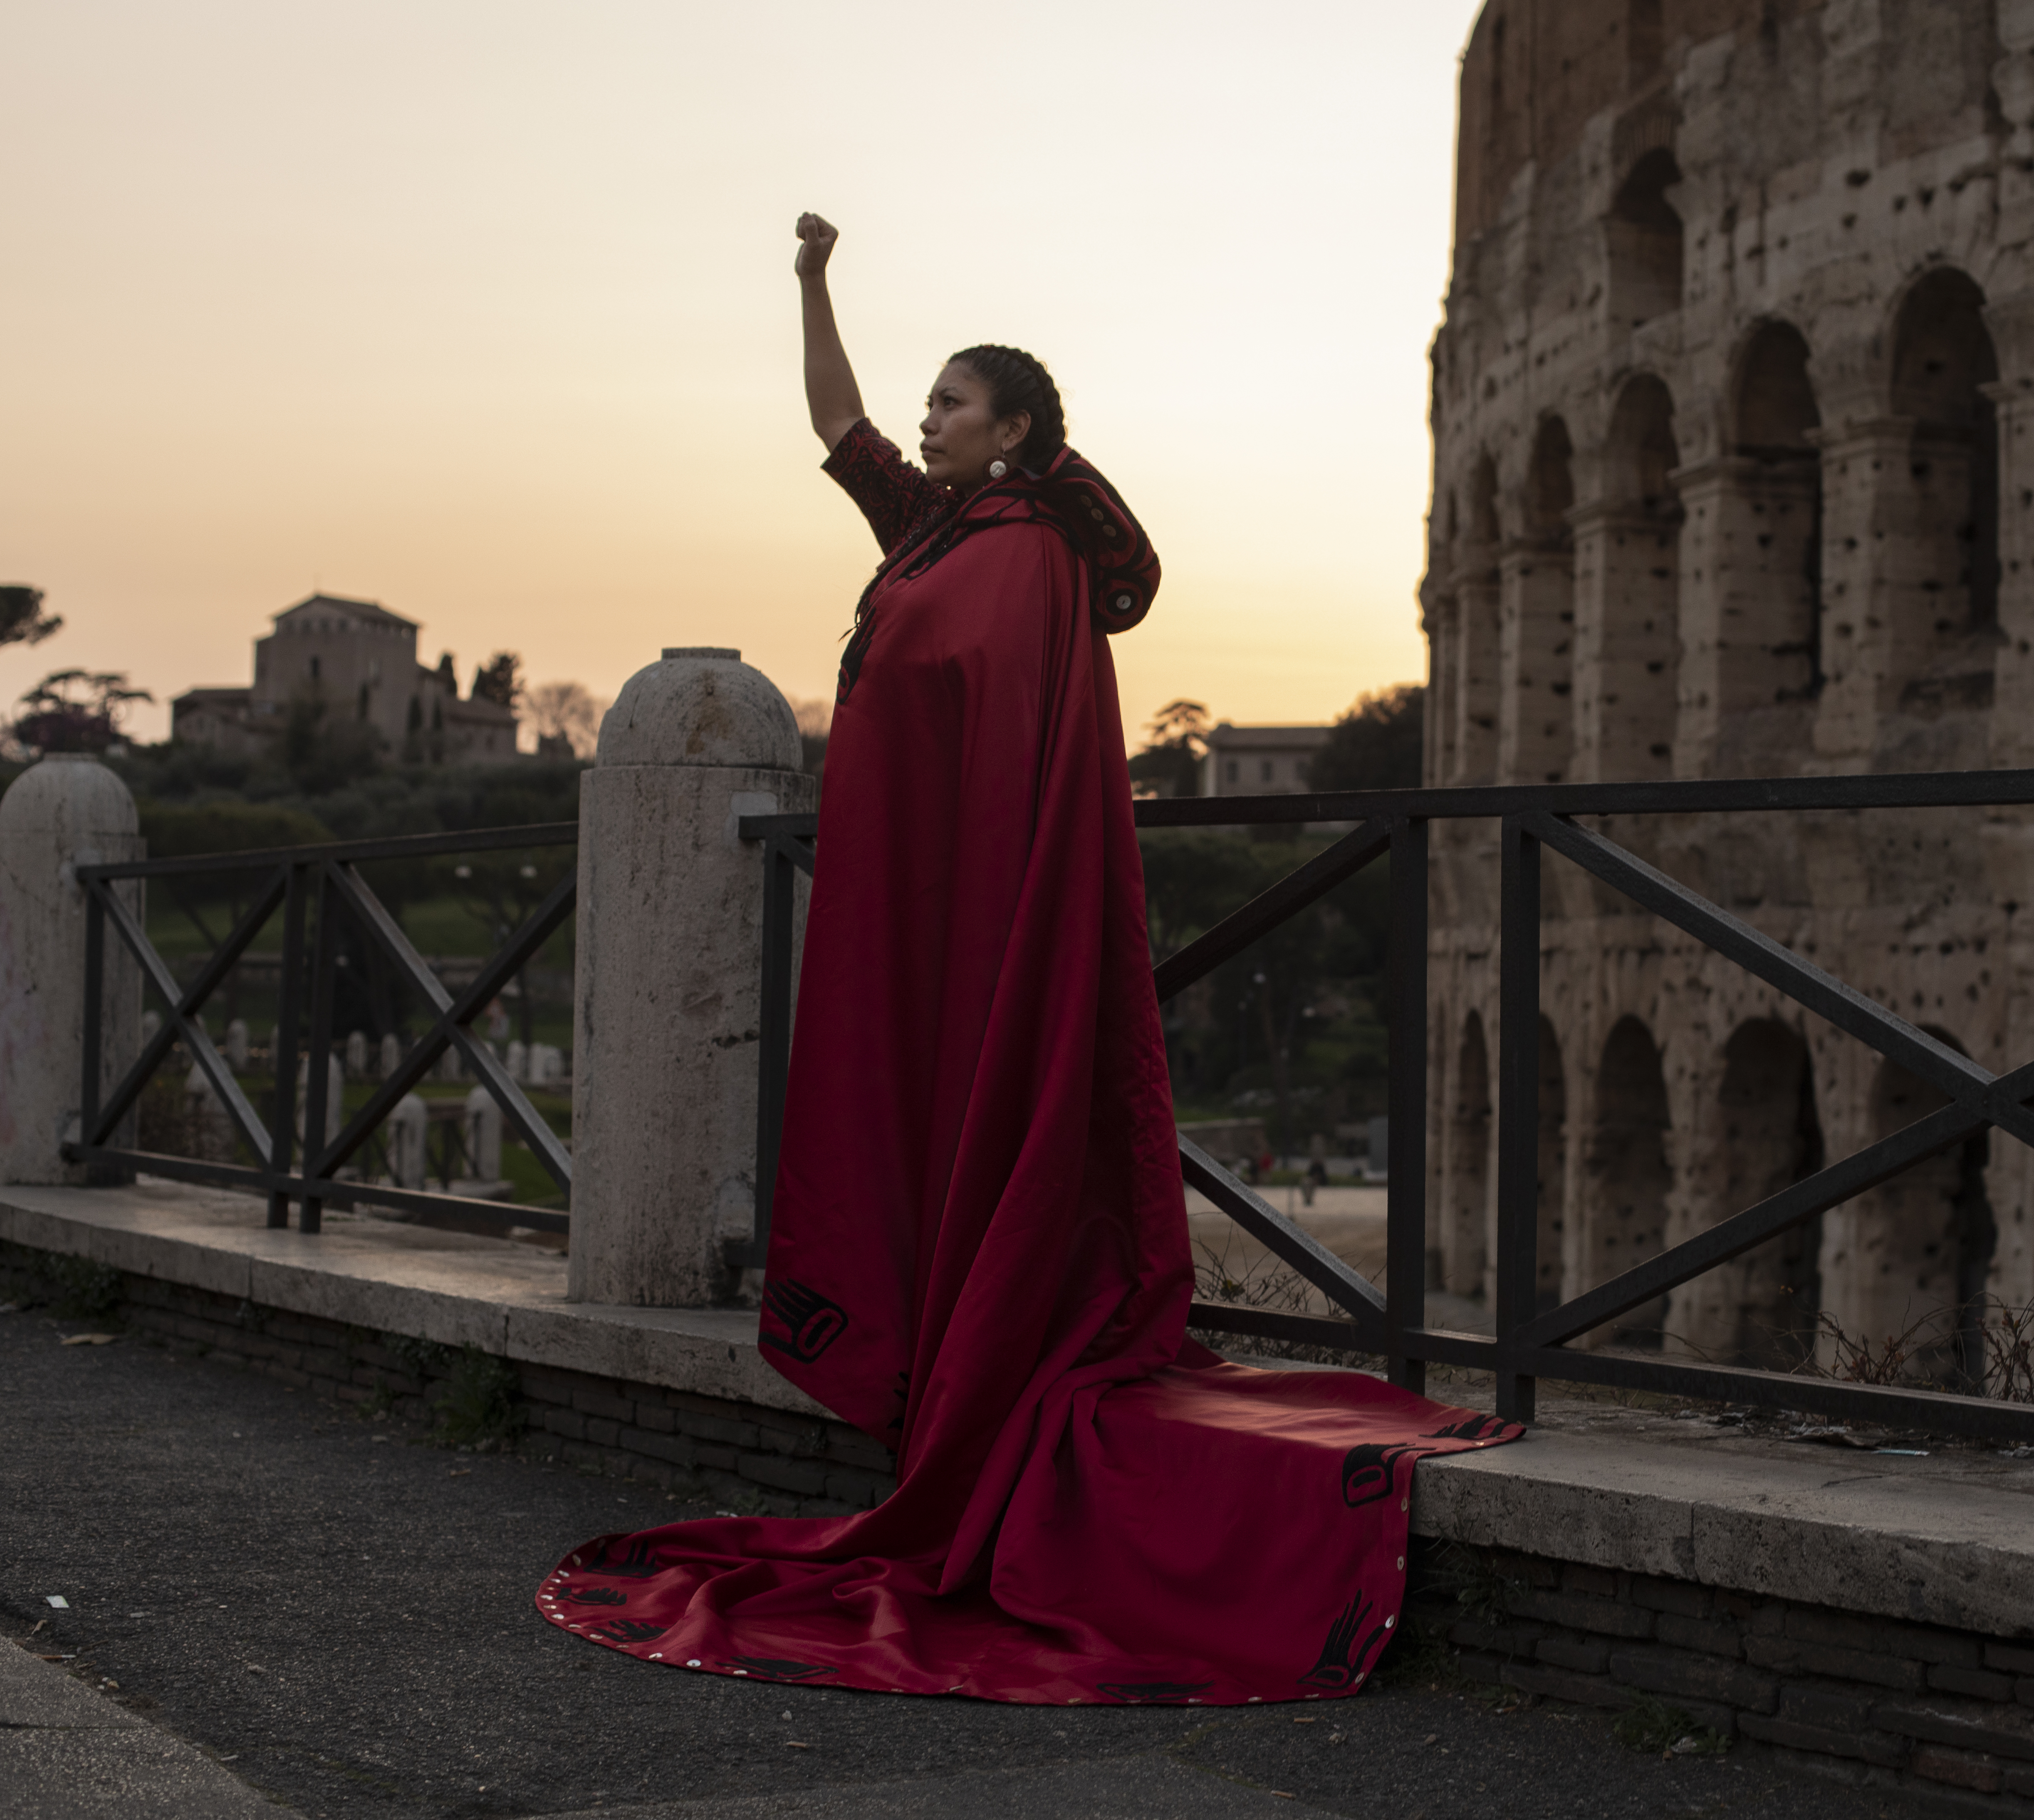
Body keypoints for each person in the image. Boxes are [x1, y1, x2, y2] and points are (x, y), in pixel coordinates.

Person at [536, 213, 1520, 1707]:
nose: (924, 420)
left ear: (1013, 434)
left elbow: (1029, 717)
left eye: (952, 402)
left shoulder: (1032, 550)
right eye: (929, 399)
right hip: (909, 895)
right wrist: (810, 283)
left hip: (990, 893)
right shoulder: (930, 531)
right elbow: (833, 421)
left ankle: (1002, 1344)